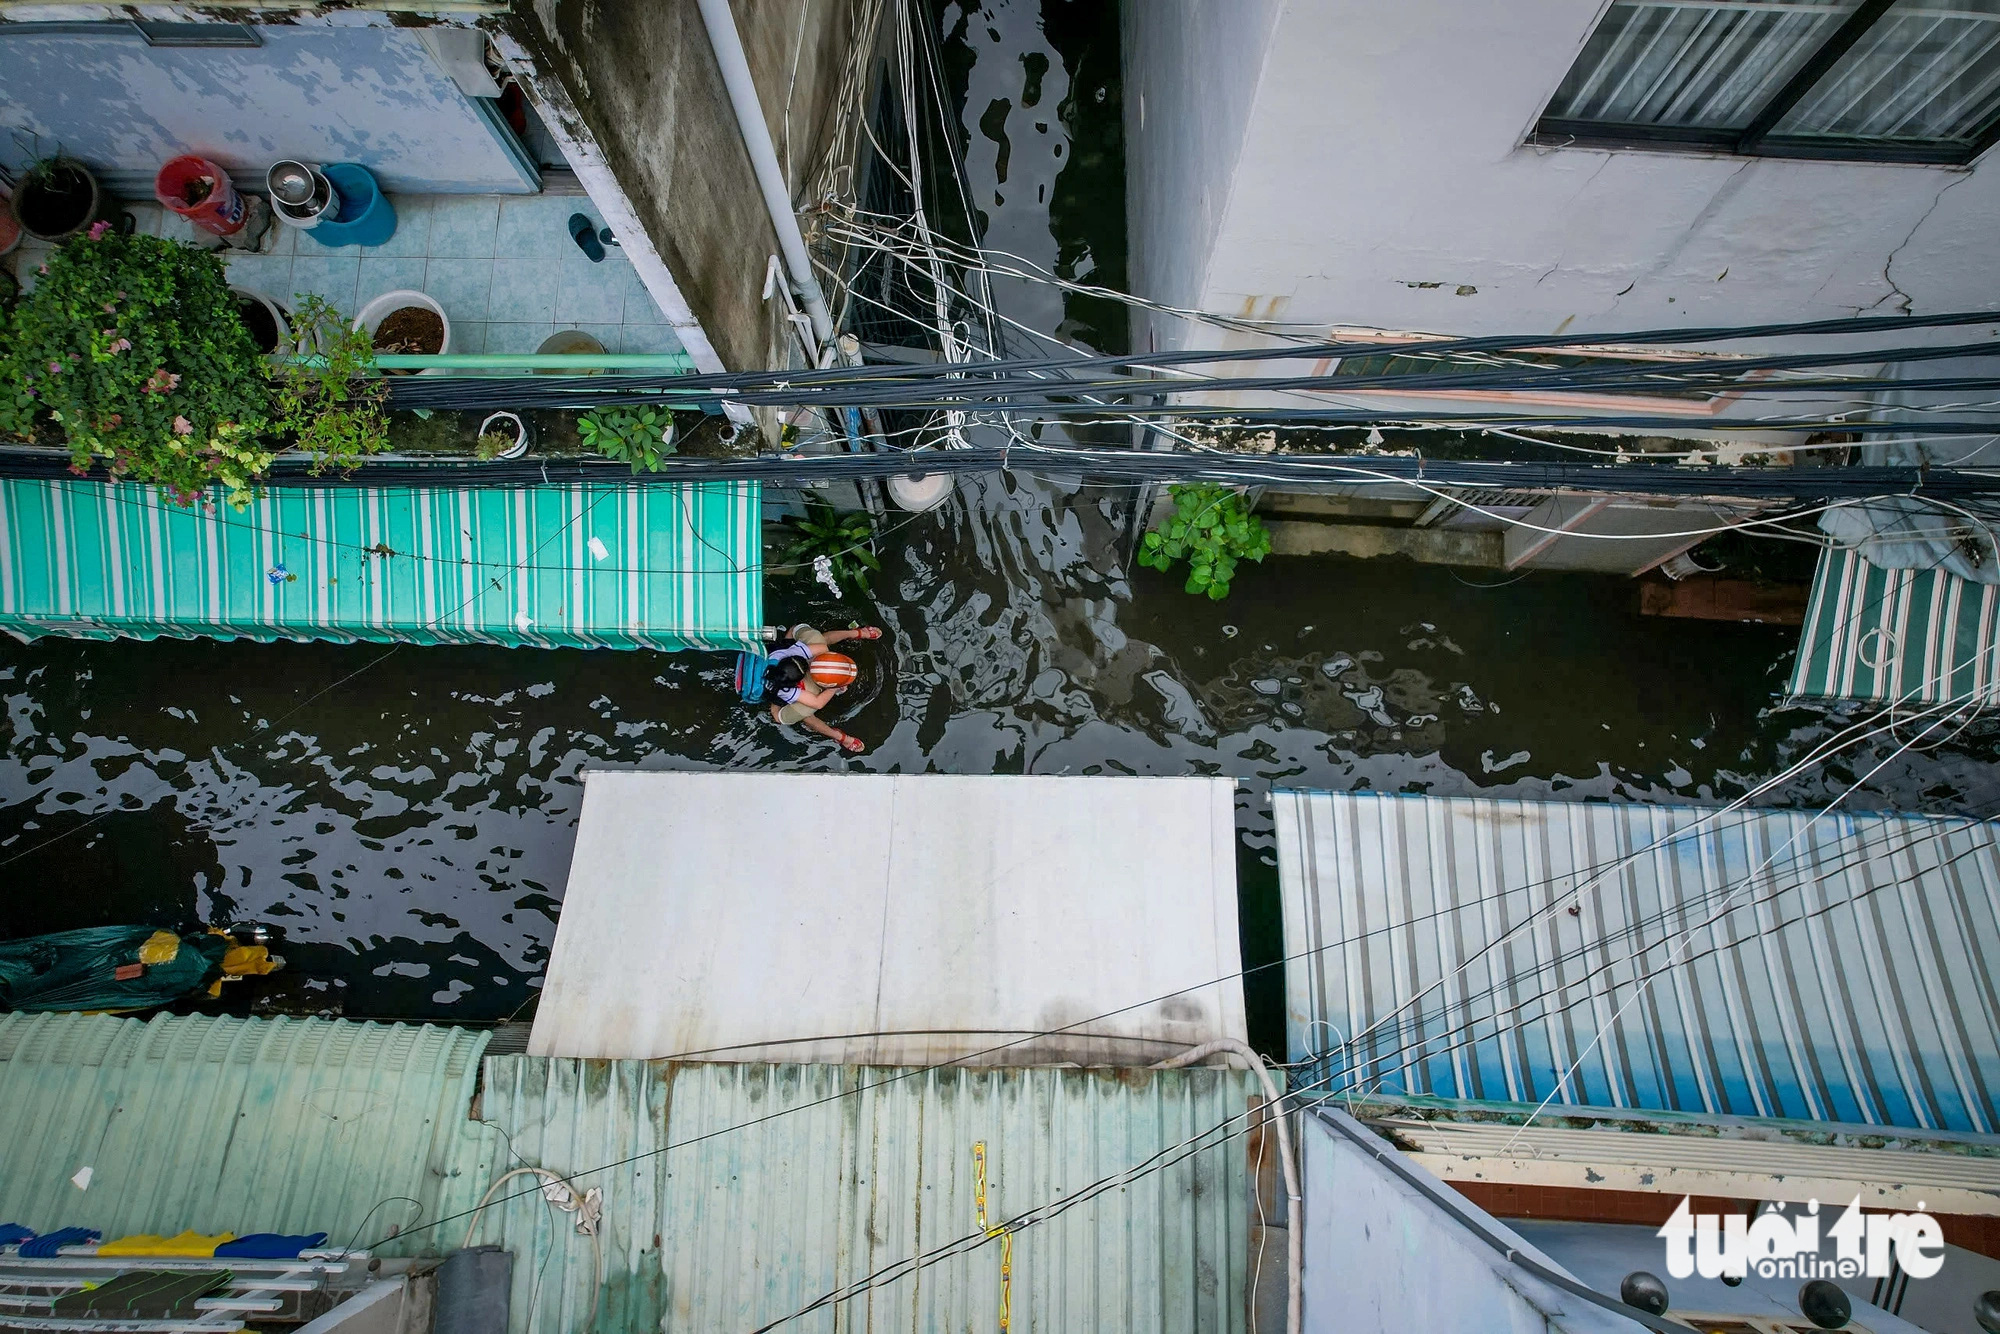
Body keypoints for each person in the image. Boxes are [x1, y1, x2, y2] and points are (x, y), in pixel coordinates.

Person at [768, 623, 883, 753]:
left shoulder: (782, 655)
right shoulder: (786, 690)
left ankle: (856, 633)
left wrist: (827, 663)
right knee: (805, 713)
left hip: (777, 668)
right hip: (778, 691)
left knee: (818, 639)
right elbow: (817, 703)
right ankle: (839, 737)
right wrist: (836, 685)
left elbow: (796, 630)